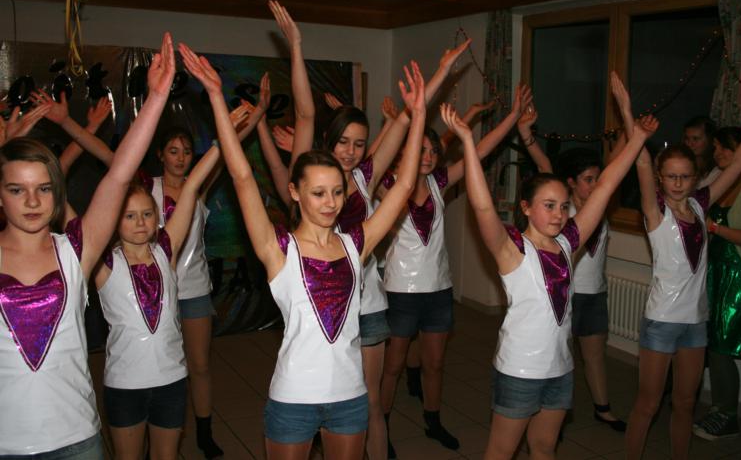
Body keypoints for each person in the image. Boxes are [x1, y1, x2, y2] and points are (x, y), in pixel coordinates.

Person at [179, 40, 427, 460]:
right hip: (293, 398)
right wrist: (218, 98)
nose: (330, 203)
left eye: (337, 192)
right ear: (295, 192)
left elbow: (403, 185)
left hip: (349, 398)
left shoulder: (355, 245)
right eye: (318, 193)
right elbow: (241, 176)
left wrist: (417, 115)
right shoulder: (278, 250)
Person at [441, 102, 657, 460]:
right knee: (501, 452)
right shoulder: (512, 249)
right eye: (548, 205)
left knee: (544, 448)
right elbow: (482, 206)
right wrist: (466, 141)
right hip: (519, 370)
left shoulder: (568, 243)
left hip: (560, 369)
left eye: (563, 206)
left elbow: (605, 186)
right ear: (525, 207)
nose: (559, 214)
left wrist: (637, 139)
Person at [0, 32, 175, 458]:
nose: (33, 201)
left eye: (44, 188)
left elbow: (119, 175)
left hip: (77, 438)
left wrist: (155, 99)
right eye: (17, 190)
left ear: (57, 194)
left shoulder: (76, 250)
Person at [613, 71, 741, 460]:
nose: (678, 183)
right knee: (648, 404)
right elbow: (640, 161)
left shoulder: (702, 206)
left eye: (685, 177)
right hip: (661, 322)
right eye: (671, 176)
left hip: (695, 324)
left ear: (695, 178)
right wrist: (625, 111)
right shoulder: (655, 213)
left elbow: (738, 164)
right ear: (661, 179)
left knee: (686, 404)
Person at [379, 84, 529, 454]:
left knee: (435, 363)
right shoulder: (387, 184)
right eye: (421, 150)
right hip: (400, 290)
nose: (428, 157)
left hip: (438, 290)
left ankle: (432, 421)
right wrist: (394, 124)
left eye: (433, 151)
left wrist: (512, 117)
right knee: (393, 366)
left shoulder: (439, 182)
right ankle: (380, 429)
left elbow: (481, 150)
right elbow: (372, 161)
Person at [96, 105, 252, 460]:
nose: (140, 222)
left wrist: (224, 132)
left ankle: (204, 432)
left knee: (197, 365)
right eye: (130, 216)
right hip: (125, 381)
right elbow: (113, 173)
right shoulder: (106, 261)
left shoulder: (166, 246)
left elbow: (196, 182)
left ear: (157, 219)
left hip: (187, 307)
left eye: (146, 215)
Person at [693, 126, 741, 440]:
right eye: (716, 148)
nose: (718, 154)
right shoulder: (718, 182)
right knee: (713, 345)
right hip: (717, 273)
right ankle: (719, 409)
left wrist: (715, 228)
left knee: (721, 347)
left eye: (724, 148)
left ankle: (727, 415)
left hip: (739, 278)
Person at [557, 147, 626, 432]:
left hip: (595, 294)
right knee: (560, 358)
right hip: (567, 296)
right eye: (588, 179)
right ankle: (555, 414)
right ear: (571, 182)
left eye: (598, 178)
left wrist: (629, 128)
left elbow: (616, 165)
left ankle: (603, 409)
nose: (596, 184)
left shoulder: (600, 207)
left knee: (594, 355)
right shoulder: (564, 212)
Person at [683, 116, 719, 188]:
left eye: (695, 139)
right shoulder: (681, 163)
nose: (689, 144)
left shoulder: (718, 169)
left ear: (710, 139)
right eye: (687, 139)